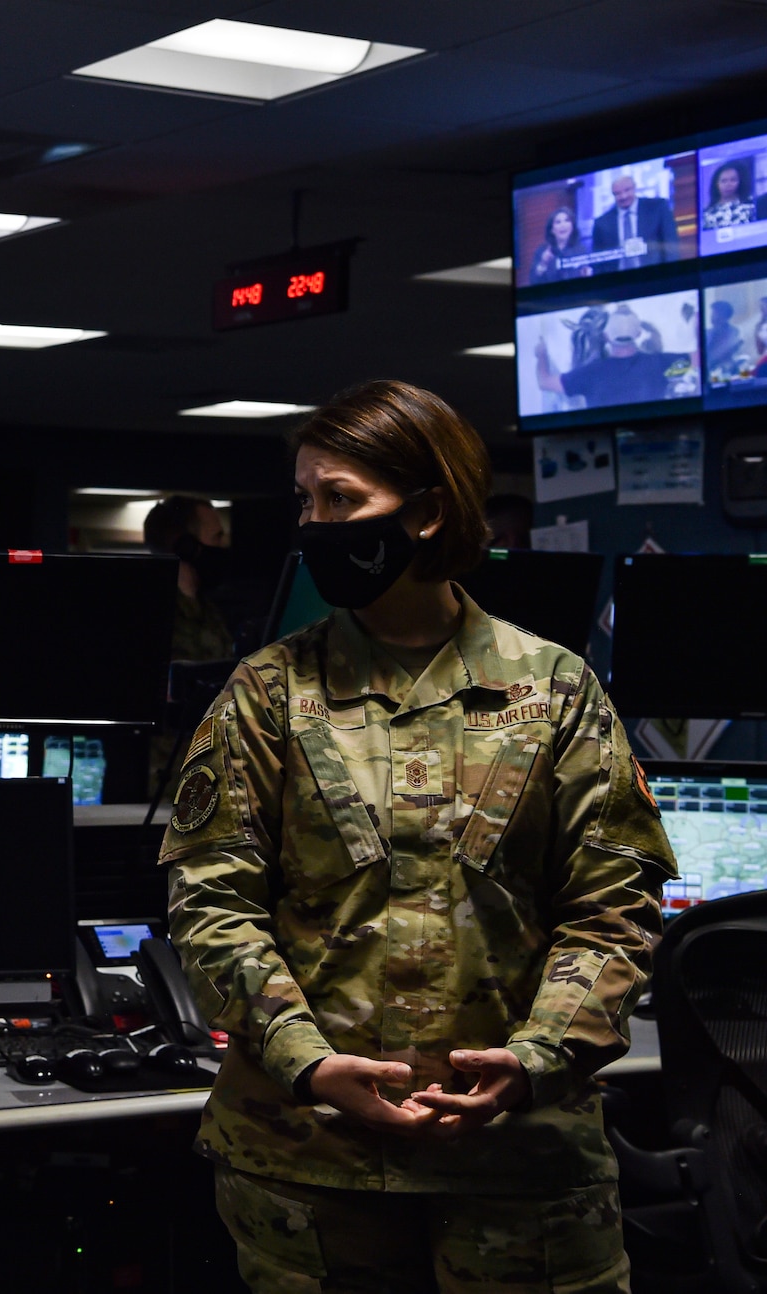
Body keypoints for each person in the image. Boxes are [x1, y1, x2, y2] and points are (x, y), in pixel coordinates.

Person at [162, 379, 673, 1292]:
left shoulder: (552, 690)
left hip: (521, 1167)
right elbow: (210, 903)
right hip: (313, 1164)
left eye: (342, 500)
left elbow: (615, 906)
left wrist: (537, 1058)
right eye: (306, 501)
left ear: (430, 510)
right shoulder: (269, 692)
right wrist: (307, 1063)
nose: (316, 524)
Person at [142, 496, 236, 797]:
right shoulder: (151, 615)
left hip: (211, 776)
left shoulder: (211, 612)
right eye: (216, 536)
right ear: (187, 546)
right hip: (164, 785)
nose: (223, 546)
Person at [534, 304, 697, 408]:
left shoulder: (590, 374)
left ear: (606, 336)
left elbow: (544, 382)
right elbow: (700, 359)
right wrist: (695, 319)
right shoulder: (662, 365)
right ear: (639, 333)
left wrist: (541, 354)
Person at [588, 173, 679, 269]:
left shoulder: (657, 207)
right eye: (617, 193)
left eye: (627, 190)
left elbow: (671, 243)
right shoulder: (601, 223)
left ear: (634, 188)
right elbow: (598, 259)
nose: (623, 196)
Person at [527, 206, 586, 283]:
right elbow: (533, 281)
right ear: (552, 230)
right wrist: (543, 263)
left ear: (572, 227)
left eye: (567, 220)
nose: (563, 225)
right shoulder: (541, 251)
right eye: (558, 222)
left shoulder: (581, 250)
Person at [703, 161, 757, 230]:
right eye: (724, 181)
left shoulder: (751, 205)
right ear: (716, 184)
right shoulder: (707, 214)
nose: (728, 184)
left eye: (733, 180)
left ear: (740, 182)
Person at [707, 298, 744, 377]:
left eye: (716, 314)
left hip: (729, 370)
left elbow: (732, 350)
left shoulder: (734, 331)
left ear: (725, 316)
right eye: (712, 313)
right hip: (710, 370)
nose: (712, 317)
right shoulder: (707, 332)